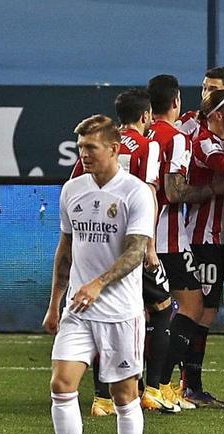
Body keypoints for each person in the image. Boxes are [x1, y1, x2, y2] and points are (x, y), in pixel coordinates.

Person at [43, 115, 155, 434]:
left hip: (120, 312)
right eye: (80, 149)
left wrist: (99, 282)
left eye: (91, 148)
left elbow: (136, 251)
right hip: (78, 309)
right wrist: (55, 301)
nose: (84, 155)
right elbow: (66, 248)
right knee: (61, 384)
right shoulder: (72, 190)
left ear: (114, 148)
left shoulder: (137, 192)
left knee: (125, 396)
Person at [70, 90, 178, 415]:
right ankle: (153, 389)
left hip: (96, 244)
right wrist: (150, 247)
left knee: (102, 314)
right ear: (146, 117)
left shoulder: (96, 147)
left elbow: (79, 190)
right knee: (161, 308)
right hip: (131, 245)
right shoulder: (149, 146)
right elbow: (148, 191)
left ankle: (102, 398)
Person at [146, 74, 224, 410]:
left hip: (135, 236)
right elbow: (174, 190)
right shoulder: (176, 137)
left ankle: (131, 386)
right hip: (166, 237)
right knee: (193, 307)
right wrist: (211, 190)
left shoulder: (137, 135)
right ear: (176, 101)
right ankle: (162, 384)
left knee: (145, 313)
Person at [182, 89, 224, 407]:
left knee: (208, 312)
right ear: (217, 114)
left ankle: (188, 385)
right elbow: (223, 167)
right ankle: (187, 385)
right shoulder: (205, 141)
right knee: (199, 313)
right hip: (202, 239)